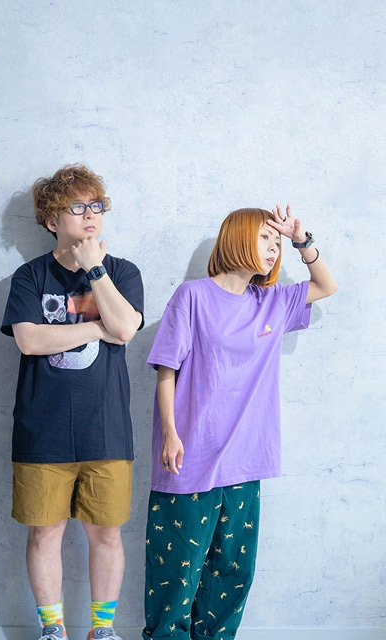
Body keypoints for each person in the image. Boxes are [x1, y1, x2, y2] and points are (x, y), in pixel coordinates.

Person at [143, 205, 337, 639]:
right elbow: (166, 370)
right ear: (236, 238)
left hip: (247, 461)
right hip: (189, 459)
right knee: (176, 574)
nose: (273, 249)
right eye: (265, 238)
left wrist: (302, 241)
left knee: (232, 573)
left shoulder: (272, 302)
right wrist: (170, 433)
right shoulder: (192, 296)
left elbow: (326, 286)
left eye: (276, 242)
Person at [1, 165, 144, 640]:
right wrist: (97, 328)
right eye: (77, 207)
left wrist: (94, 269)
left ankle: (102, 630)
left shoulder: (121, 272)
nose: (90, 215)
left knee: (106, 534)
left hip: (107, 429)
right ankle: (53, 630)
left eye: (96, 205)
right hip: (42, 431)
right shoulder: (30, 276)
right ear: (51, 220)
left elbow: (126, 329)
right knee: (45, 533)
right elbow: (28, 340)